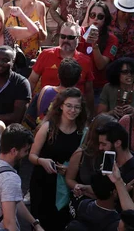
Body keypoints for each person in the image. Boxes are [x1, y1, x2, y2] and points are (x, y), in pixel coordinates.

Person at [28, 88, 88, 229]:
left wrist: (70, 169)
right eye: (69, 105)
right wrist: (41, 161)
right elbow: (31, 155)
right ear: (61, 106)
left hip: (66, 186)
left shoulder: (83, 132)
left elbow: (84, 162)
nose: (72, 110)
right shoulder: (48, 128)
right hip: (43, 183)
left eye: (77, 107)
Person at [29, 22, 95, 110]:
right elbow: (32, 82)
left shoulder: (86, 61)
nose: (65, 40)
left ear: (78, 38)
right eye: (63, 36)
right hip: (46, 109)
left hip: (73, 111)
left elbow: (89, 91)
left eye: (70, 37)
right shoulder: (46, 54)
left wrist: (90, 115)